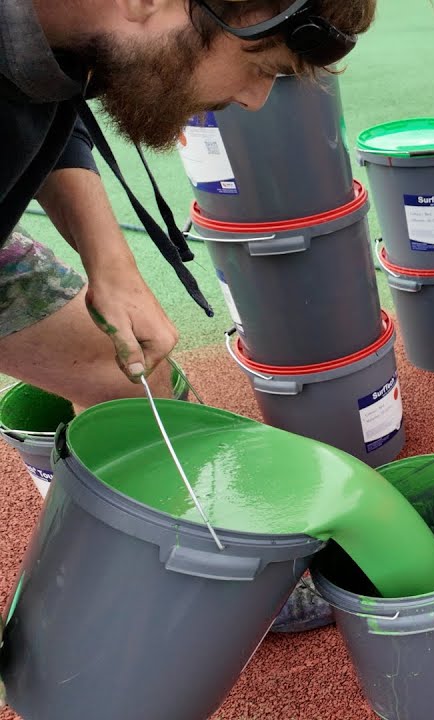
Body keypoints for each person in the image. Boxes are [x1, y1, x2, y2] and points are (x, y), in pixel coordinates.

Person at [0, 0, 375, 632]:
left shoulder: (73, 36)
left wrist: (110, 262)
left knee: (129, 373)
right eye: (260, 65)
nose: (256, 100)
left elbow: (57, 106)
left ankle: (229, 567)